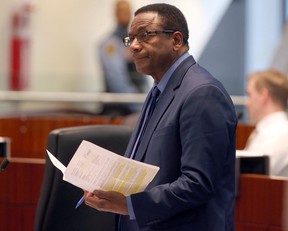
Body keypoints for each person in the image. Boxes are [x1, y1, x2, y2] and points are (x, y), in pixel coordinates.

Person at [84, 3, 238, 231]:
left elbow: (198, 184)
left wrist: (130, 204)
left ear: (176, 40)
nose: (134, 46)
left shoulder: (202, 93)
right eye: (131, 39)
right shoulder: (160, 88)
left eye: (144, 36)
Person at [99, 0, 149, 115]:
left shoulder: (131, 41)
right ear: (116, 14)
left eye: (128, 11)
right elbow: (117, 81)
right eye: (122, 11)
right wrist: (140, 106)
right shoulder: (111, 44)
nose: (126, 14)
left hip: (135, 105)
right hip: (119, 109)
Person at [244, 69, 288, 176]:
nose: (246, 103)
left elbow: (250, 178)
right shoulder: (274, 131)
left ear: (264, 95)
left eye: (250, 95)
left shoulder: (277, 135)